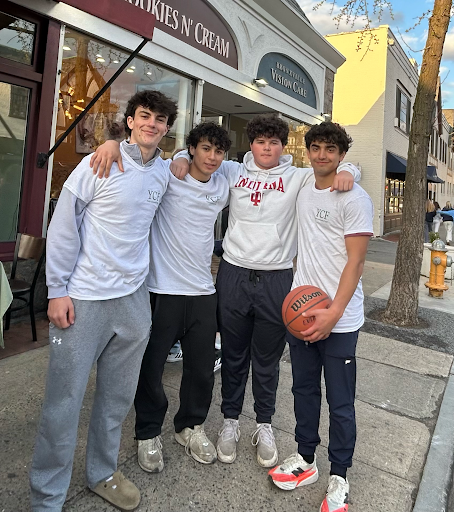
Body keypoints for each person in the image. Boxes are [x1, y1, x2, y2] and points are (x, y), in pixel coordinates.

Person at [90, 114, 361, 469]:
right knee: (232, 355)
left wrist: (350, 170)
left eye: (274, 142)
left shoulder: (298, 177)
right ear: (251, 144)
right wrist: (180, 156)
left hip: (277, 277)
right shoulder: (232, 171)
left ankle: (263, 424)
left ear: (283, 147)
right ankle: (230, 421)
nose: (267, 148)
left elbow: (334, 168)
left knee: (266, 360)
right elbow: (191, 162)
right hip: (233, 274)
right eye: (260, 141)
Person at [29, 90, 178, 512]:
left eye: (160, 119)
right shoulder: (98, 162)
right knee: (63, 403)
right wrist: (57, 290)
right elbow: (64, 226)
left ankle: (102, 473)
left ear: (166, 128)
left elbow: (197, 166)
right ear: (130, 121)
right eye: (144, 116)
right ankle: (47, 496)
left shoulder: (164, 172)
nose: (151, 123)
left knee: (116, 399)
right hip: (85, 298)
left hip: (133, 300)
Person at [268, 122, 373, 512]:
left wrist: (334, 313)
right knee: (304, 390)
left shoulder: (355, 198)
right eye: (316, 148)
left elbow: (356, 262)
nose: (322, 155)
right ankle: (306, 458)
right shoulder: (303, 189)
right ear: (308, 151)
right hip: (302, 313)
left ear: (341, 154)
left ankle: (340, 475)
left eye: (331, 149)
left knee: (341, 402)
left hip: (339, 319)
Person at [133, 122, 230, 471]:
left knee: (202, 370)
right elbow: (141, 159)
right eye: (205, 148)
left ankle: (190, 427)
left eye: (218, 151)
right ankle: (147, 432)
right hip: (163, 289)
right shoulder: (168, 175)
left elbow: (257, 169)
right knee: (151, 366)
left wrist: (351, 170)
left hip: (203, 291)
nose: (212, 157)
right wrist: (174, 157)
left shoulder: (223, 181)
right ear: (192, 149)